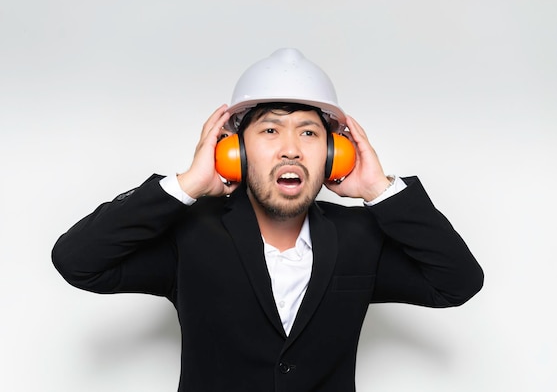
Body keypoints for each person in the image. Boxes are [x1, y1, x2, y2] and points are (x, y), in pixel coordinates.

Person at [52, 48, 484, 392]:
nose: (291, 149)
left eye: (309, 132)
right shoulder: (191, 235)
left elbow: (458, 282)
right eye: (271, 130)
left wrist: (380, 191)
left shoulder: (359, 238)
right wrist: (184, 185)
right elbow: (78, 261)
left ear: (334, 155)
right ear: (235, 153)